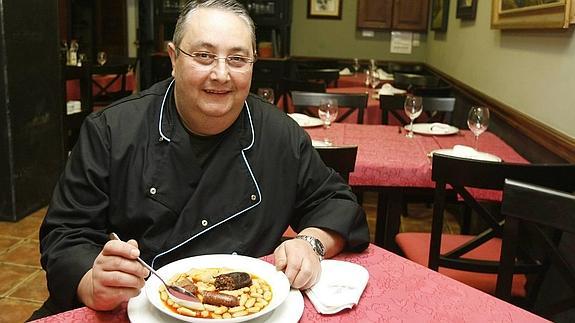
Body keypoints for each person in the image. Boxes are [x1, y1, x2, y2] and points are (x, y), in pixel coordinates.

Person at [33, 0, 369, 318]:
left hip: (242, 312)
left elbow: (336, 201)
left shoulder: (280, 135)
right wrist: (93, 282)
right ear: (173, 58)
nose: (221, 74)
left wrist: (311, 243)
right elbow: (66, 233)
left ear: (253, 64)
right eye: (204, 55)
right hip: (130, 308)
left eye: (237, 59)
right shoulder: (111, 130)